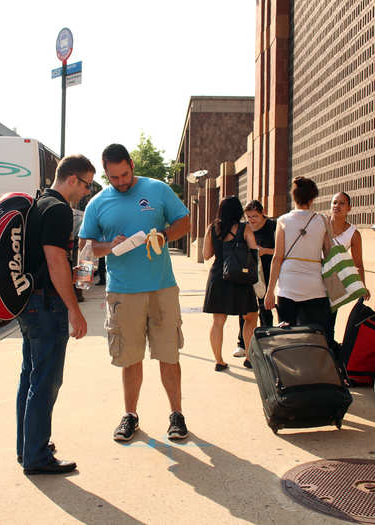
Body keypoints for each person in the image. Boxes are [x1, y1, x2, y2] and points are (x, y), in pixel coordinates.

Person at [79, 143, 190, 442]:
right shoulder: (98, 203)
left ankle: (176, 415)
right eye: (114, 178)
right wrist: (110, 246)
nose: (121, 182)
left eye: (125, 174)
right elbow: (85, 249)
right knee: (130, 357)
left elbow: (185, 221)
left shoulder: (158, 190)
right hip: (123, 293)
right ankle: (130, 416)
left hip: (162, 288)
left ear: (131, 164)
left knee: (169, 354)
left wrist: (164, 235)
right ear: (106, 174)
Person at [16, 154, 92, 475]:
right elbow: (54, 260)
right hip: (47, 305)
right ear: (72, 179)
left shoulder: (39, 203)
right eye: (87, 184)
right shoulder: (60, 209)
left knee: (30, 377)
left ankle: (27, 447)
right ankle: (36, 456)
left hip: (28, 301)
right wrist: (75, 310)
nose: (87, 192)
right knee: (46, 381)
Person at [264, 176, 332, 342]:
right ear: (312, 198)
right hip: (315, 287)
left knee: (287, 337)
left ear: (293, 196)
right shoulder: (323, 220)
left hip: (288, 287)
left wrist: (270, 292)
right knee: (315, 337)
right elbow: (329, 254)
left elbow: (277, 258)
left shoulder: (283, 221)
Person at [202, 196, 259, 371]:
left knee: (218, 321)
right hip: (241, 278)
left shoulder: (212, 228)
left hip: (219, 276)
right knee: (250, 317)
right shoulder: (245, 228)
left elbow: (206, 255)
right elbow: (254, 251)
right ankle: (249, 358)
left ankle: (219, 361)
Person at [327, 192, 370, 348]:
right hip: (314, 277)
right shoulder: (321, 225)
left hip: (334, 282)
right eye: (334, 202)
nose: (337, 206)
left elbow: (358, 264)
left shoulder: (353, 234)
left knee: (329, 323)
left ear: (349, 208)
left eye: (342, 203)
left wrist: (362, 286)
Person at [234, 200, 276, 357]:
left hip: (267, 271)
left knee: (265, 306)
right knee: (244, 308)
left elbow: (281, 250)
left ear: (262, 213)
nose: (251, 220)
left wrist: (265, 251)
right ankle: (243, 344)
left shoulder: (273, 226)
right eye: (248, 216)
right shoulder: (244, 227)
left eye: (255, 216)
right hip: (248, 271)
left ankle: (267, 343)